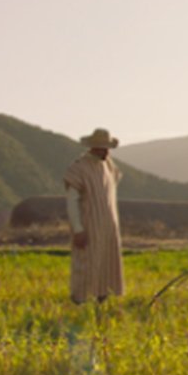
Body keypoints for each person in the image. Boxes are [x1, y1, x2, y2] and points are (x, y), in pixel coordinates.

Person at [63, 128, 124, 304]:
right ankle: (79, 302)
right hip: (89, 225)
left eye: (107, 148)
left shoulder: (109, 165)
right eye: (103, 148)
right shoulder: (79, 168)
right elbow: (72, 202)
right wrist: (78, 229)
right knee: (86, 265)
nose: (106, 151)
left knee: (107, 264)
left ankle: (101, 300)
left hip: (108, 227)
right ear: (94, 148)